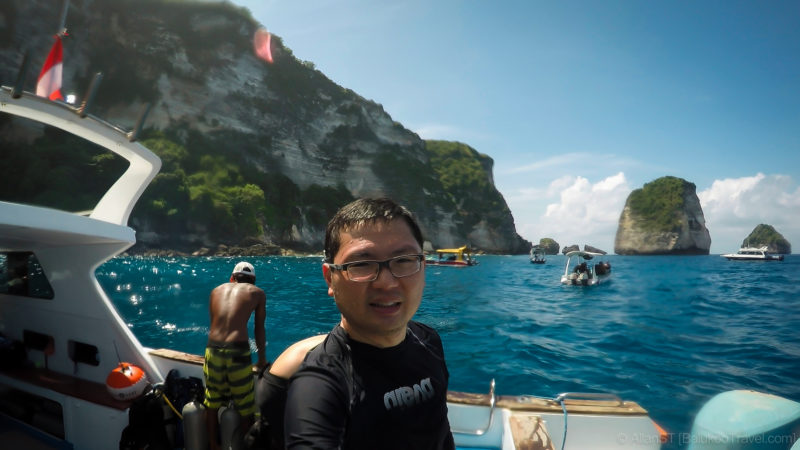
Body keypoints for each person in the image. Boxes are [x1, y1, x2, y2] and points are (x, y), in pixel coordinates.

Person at [284, 197, 455, 449]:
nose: (386, 282)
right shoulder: (320, 387)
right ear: (330, 279)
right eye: (361, 264)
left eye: (404, 260)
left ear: (423, 266)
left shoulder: (428, 340)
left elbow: (440, 432)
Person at [204, 261, 267, 450]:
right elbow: (258, 328)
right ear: (253, 281)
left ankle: (214, 445)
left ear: (232, 278)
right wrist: (261, 360)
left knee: (212, 402)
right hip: (238, 352)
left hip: (212, 350)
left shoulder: (215, 291)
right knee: (245, 407)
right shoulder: (257, 293)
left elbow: (216, 321)